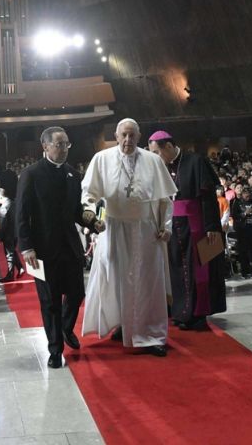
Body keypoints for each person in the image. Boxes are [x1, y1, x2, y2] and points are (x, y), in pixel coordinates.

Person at [81, 119, 177, 357]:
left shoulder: (153, 161)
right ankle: (123, 325)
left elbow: (166, 199)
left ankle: (152, 334)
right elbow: (88, 194)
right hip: (113, 228)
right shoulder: (101, 159)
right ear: (116, 134)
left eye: (132, 136)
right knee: (115, 279)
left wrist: (167, 227)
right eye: (123, 135)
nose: (127, 140)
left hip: (146, 231)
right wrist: (92, 218)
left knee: (148, 283)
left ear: (139, 136)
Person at [16, 126, 87, 368]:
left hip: (70, 246)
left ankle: (66, 329)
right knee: (50, 301)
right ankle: (55, 350)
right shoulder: (31, 174)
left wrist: (93, 221)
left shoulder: (72, 175)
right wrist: (26, 247)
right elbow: (22, 214)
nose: (64, 148)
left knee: (77, 293)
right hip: (41, 250)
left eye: (67, 144)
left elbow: (76, 211)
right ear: (45, 146)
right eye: (59, 144)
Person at [148, 131, 226, 328]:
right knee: (178, 270)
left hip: (198, 225)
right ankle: (182, 312)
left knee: (200, 270)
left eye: (156, 152)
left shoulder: (196, 161)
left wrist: (211, 226)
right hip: (174, 226)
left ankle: (199, 315)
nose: (155, 157)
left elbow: (208, 197)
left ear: (168, 146)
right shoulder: (162, 167)